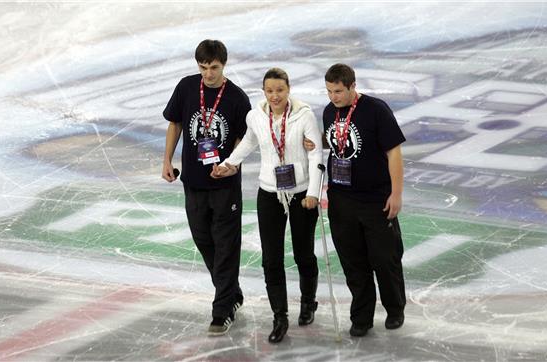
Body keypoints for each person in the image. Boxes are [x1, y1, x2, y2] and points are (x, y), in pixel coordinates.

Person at [211, 67, 323, 343]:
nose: (275, 96)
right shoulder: (256, 116)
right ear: (264, 91)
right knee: (271, 260)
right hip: (269, 194)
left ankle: (308, 301)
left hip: (300, 196)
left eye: (280, 90)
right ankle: (279, 316)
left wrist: (313, 192)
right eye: (270, 91)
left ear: (289, 89)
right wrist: (228, 164)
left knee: (303, 254)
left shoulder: (304, 115)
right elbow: (249, 142)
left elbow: (316, 154)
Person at [162, 39, 251, 336]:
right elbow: (175, 123)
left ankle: (222, 310)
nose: (208, 74)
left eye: (213, 68)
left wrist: (232, 164)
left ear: (223, 64)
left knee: (226, 246)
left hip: (224, 185)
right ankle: (232, 292)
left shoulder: (236, 97)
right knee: (204, 241)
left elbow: (243, 138)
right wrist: (167, 160)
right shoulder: (187, 87)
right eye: (203, 67)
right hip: (194, 183)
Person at [321, 63, 407, 337]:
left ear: (352, 86)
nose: (333, 97)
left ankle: (395, 308)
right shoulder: (328, 112)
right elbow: (335, 143)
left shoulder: (376, 110)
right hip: (341, 200)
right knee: (353, 261)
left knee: (385, 259)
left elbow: (393, 152)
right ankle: (362, 316)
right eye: (329, 91)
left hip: (375, 200)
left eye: (338, 91)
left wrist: (396, 193)